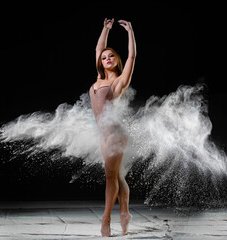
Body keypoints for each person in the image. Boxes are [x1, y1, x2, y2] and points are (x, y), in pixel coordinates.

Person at [89, 18, 136, 237]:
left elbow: (132, 57)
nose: (107, 58)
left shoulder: (118, 81)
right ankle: (125, 213)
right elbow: (99, 48)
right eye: (104, 57)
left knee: (110, 177)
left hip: (115, 134)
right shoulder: (98, 78)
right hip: (103, 134)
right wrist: (105, 29)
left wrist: (130, 33)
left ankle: (106, 219)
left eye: (111, 56)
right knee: (116, 177)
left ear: (117, 61)